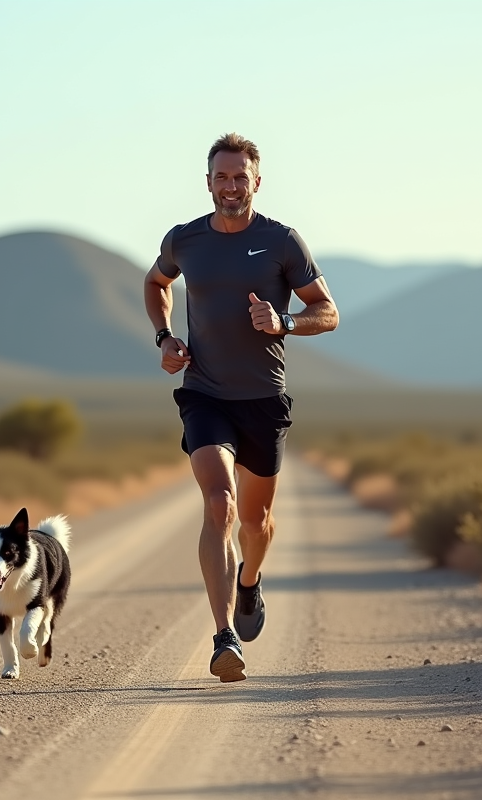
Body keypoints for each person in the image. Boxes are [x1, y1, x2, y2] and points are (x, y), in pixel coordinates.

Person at [143, 133, 339, 682]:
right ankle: (223, 635)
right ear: (208, 182)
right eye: (222, 178)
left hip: (263, 400)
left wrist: (284, 321)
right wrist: (165, 337)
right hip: (205, 394)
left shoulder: (282, 241)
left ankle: (249, 579)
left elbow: (328, 312)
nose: (231, 187)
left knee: (256, 522)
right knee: (220, 504)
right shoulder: (184, 240)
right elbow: (156, 282)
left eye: (240, 178)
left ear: (257, 182)